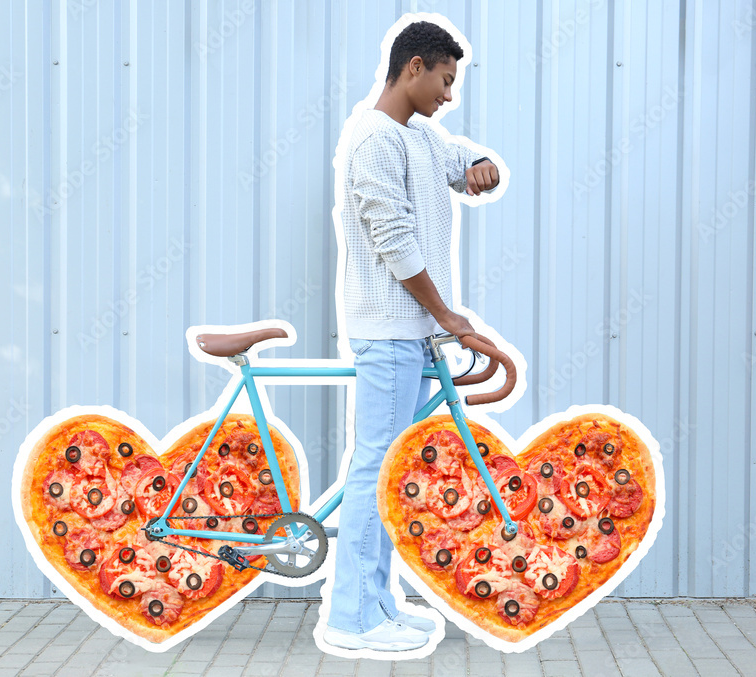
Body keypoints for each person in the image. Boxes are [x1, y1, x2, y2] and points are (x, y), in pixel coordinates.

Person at [323, 20, 500, 652]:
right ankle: (351, 618)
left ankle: (376, 604)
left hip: (408, 333)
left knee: (387, 470)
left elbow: (460, 158)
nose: (449, 95)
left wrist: (482, 166)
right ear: (414, 67)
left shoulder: (418, 134)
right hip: (388, 331)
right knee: (376, 469)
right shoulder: (373, 139)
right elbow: (392, 241)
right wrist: (448, 316)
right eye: (445, 81)